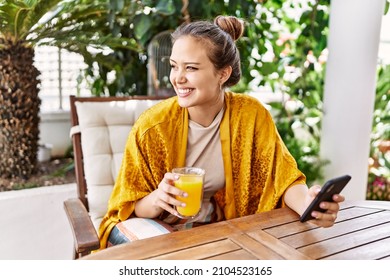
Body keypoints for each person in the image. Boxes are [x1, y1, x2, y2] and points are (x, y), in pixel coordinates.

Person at [98, 15, 345, 249]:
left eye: (191, 68)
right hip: (156, 227)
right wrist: (158, 198)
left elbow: (282, 177)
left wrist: (309, 205)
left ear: (223, 74)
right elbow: (129, 208)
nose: (177, 78)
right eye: (174, 66)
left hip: (216, 229)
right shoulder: (152, 126)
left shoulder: (250, 115)